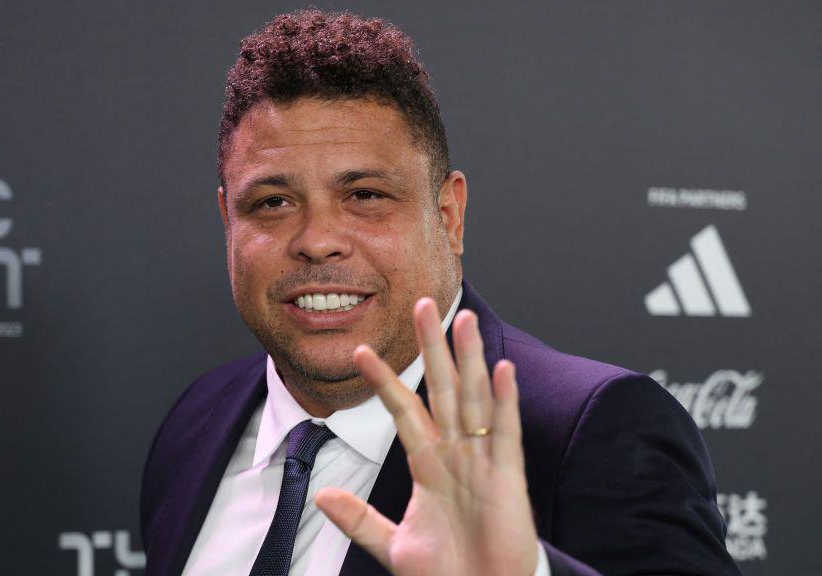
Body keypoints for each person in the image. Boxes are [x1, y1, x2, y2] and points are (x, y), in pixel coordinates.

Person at [141, 9, 740, 576]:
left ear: (449, 216)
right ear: (228, 220)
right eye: (272, 202)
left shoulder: (588, 432)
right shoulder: (198, 420)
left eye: (366, 195)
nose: (318, 240)